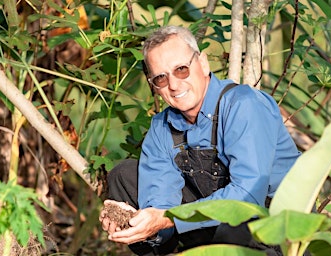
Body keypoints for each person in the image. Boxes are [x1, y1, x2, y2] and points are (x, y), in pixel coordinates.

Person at [99, 25, 301, 255]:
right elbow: (160, 204)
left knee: (233, 222)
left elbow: (248, 195)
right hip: (214, 229)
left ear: (203, 63)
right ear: (153, 85)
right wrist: (142, 225)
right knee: (124, 177)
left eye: (181, 69)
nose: (174, 85)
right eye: (161, 78)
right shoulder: (161, 128)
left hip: (275, 231)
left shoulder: (243, 105)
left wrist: (168, 218)